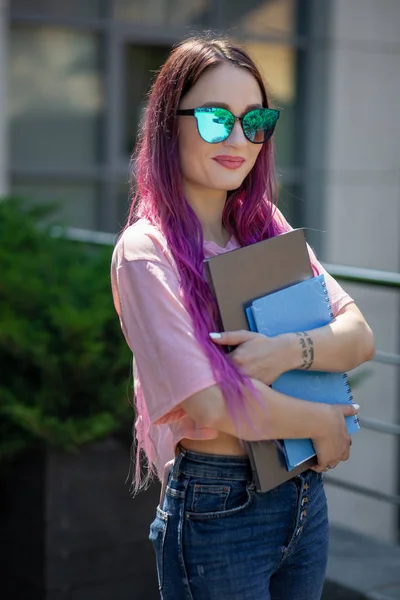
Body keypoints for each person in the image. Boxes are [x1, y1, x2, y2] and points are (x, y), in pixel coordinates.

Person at [111, 35, 375, 600]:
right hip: (218, 505)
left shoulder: (264, 225)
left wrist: (284, 352)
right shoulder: (145, 250)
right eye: (214, 120)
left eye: (254, 120)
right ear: (167, 123)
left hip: (302, 492)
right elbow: (207, 402)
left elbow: (358, 333)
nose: (238, 139)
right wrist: (320, 422)